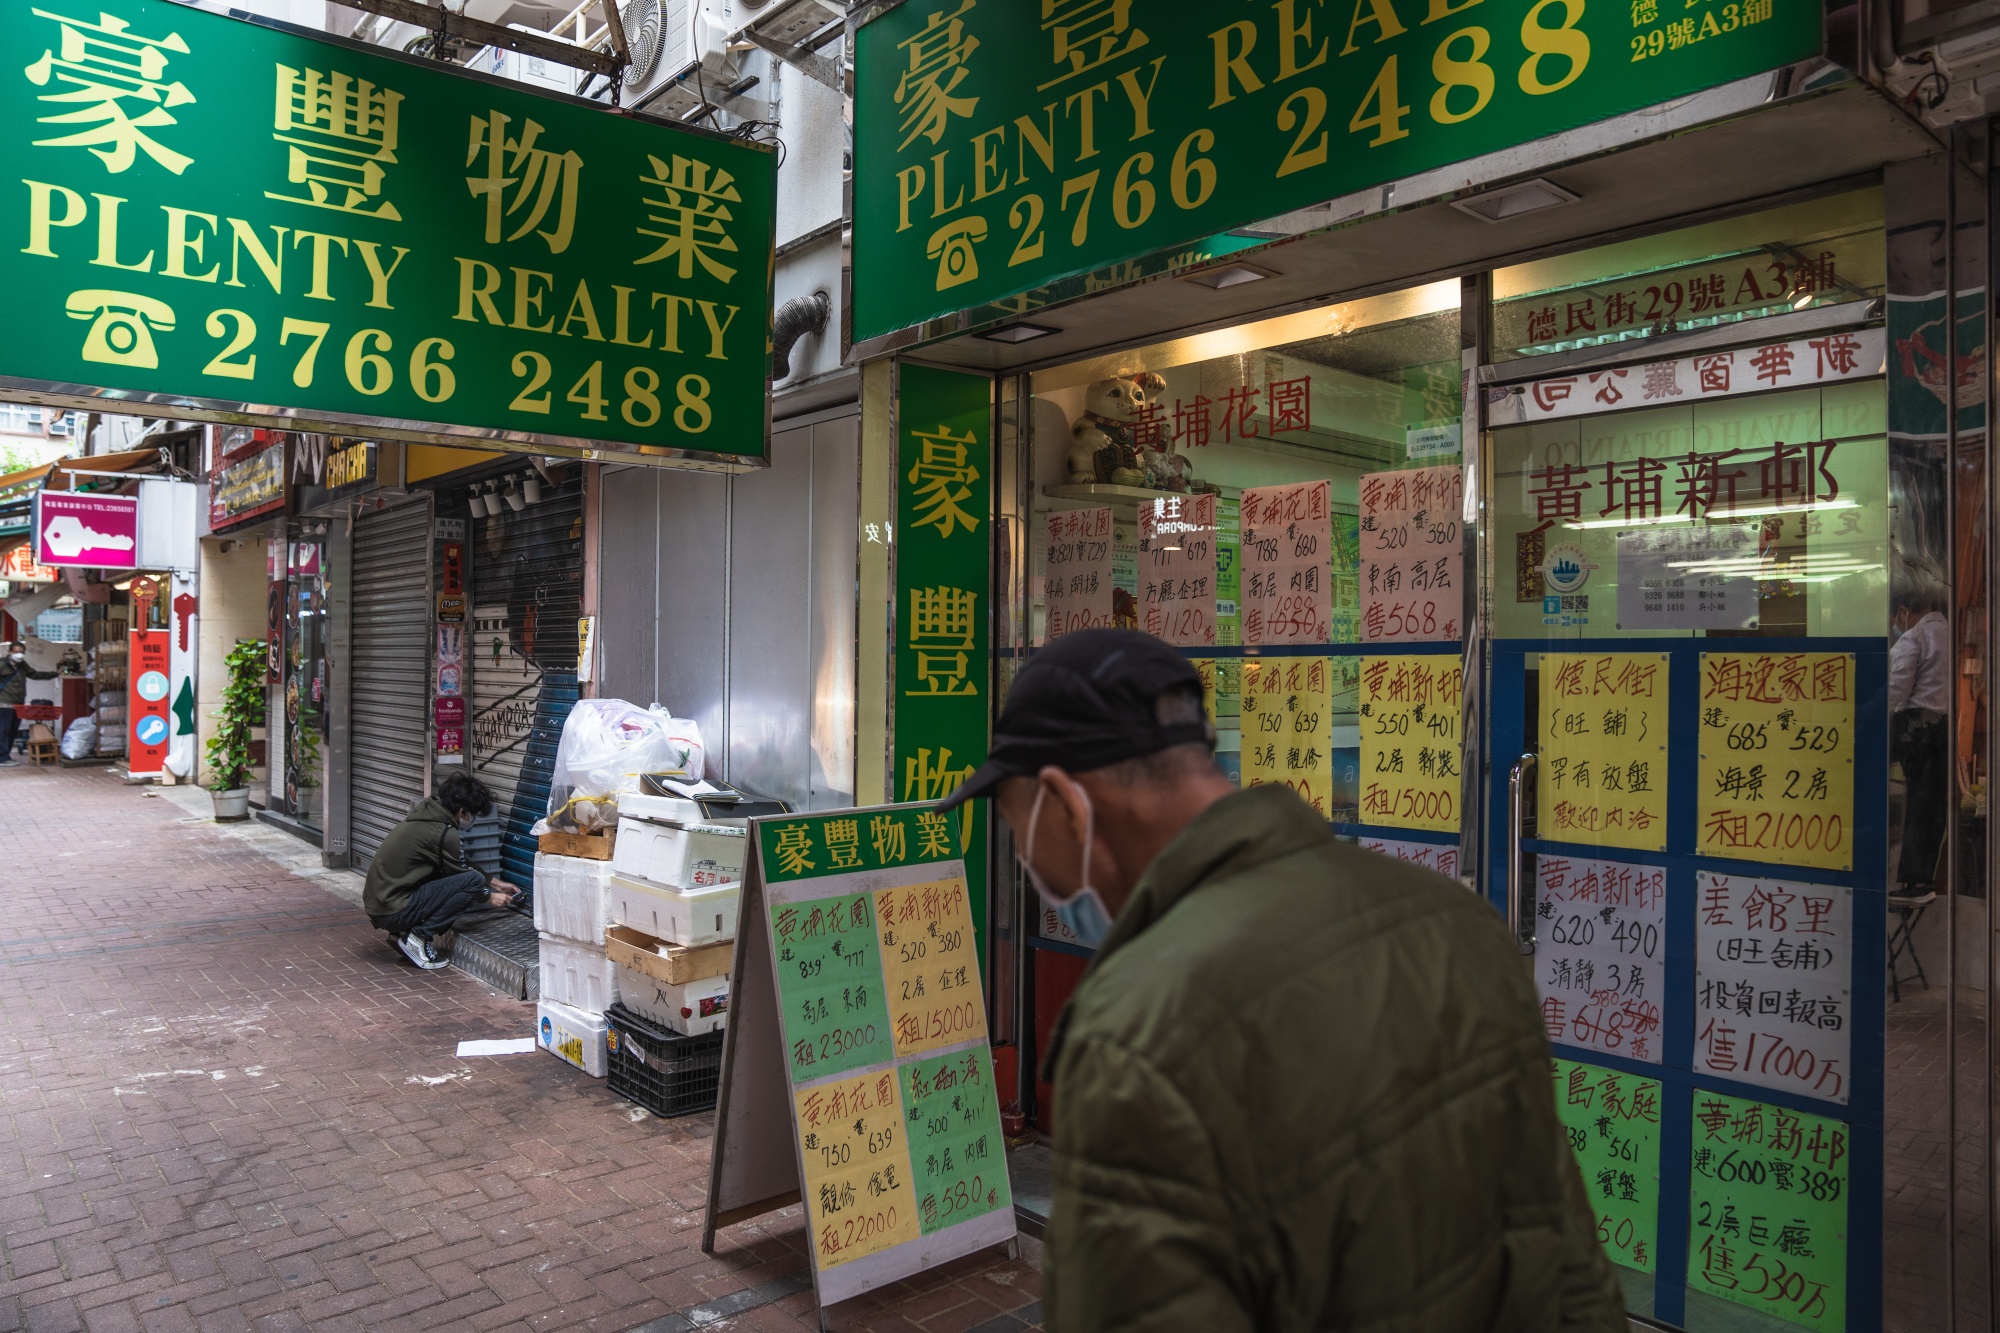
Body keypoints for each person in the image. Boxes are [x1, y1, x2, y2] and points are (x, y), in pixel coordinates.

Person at [940, 629, 1624, 1332]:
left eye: (1015, 824)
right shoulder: (1458, 920)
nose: (1024, 856)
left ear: (1063, 802)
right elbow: (1571, 1259)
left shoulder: (1141, 1025)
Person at [363, 771, 518, 970]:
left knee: (461, 877)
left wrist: (496, 883)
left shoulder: (428, 815)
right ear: (463, 811)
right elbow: (465, 876)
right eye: (472, 814)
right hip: (392, 909)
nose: (472, 820)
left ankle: (402, 934)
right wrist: (488, 897)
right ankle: (418, 937)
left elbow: (459, 862)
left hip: (382, 905)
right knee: (471, 882)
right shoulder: (445, 832)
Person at [1890, 566, 1951, 889]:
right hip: (1944, 729)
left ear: (1903, 611)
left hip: (1915, 726)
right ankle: (1922, 878)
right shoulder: (1948, 632)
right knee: (1931, 806)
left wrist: (1865, 711)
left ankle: (1909, 880)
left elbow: (1896, 690)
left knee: (1914, 804)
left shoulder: (1913, 637)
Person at [0, 642, 59, 766]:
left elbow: (34, 674)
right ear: (10, 652)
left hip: (18, 704)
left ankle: (5, 755)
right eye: (16, 652)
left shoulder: (22, 665)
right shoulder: (2, 664)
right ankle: (2, 757)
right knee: (3, 730)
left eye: (21, 652)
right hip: (4, 704)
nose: (19, 655)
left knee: (12, 730)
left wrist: (54, 674)